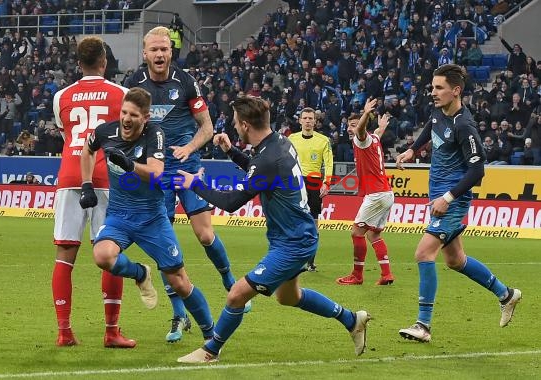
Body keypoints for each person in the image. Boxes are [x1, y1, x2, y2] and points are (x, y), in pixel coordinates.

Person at [175, 96, 370, 363]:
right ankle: (352, 320)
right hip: (294, 237)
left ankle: (211, 350)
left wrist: (193, 183)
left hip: (293, 243)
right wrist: (232, 152)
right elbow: (261, 172)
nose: (232, 126)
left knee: (237, 295)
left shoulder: (268, 157)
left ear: (245, 125)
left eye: (234, 122)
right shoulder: (280, 141)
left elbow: (231, 203)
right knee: (290, 297)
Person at [124, 26, 246, 343]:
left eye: (165, 49)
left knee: (205, 234)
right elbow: (127, 126)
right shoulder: (134, 84)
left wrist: (189, 149)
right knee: (164, 245)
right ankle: (179, 316)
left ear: (170, 51)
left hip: (187, 167)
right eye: (154, 50)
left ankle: (230, 283)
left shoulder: (186, 81)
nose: (160, 54)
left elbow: (206, 127)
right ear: (145, 53)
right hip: (156, 173)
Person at [395, 64, 522, 343]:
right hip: (437, 195)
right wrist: (412, 149)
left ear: (456, 91)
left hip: (453, 199)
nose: (433, 92)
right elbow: (430, 127)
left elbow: (478, 171)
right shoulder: (439, 113)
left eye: (439, 88)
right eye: (432, 87)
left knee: (423, 253)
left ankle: (423, 325)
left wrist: (448, 197)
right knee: (455, 260)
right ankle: (506, 294)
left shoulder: (465, 126)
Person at [79, 87, 215, 345]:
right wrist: (86, 185)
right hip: (119, 215)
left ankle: (211, 336)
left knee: (180, 282)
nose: (126, 119)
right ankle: (140, 273)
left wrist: (128, 164)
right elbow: (87, 152)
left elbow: (156, 172)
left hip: (152, 218)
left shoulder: (156, 134)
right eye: (123, 113)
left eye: (133, 115)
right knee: (102, 255)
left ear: (145, 118)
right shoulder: (104, 132)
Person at [51, 36, 134, 348]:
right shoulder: (121, 94)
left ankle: (64, 332)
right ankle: (111, 332)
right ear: (104, 62)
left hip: (70, 175)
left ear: (77, 63)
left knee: (64, 257)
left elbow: (67, 134)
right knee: (110, 255)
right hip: (105, 178)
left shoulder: (61, 96)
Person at [336, 98, 395, 286]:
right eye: (348, 126)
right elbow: (376, 132)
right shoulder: (375, 138)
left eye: (352, 125)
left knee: (356, 232)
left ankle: (357, 275)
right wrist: (381, 126)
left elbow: (361, 131)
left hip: (376, 195)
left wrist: (365, 114)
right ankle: (387, 274)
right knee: (373, 235)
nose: (349, 129)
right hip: (385, 194)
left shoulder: (361, 139)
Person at [288, 107, 333, 272]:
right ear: (300, 121)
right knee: (295, 221)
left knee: (313, 223)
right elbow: (285, 160)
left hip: (315, 182)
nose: (307, 121)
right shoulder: (291, 139)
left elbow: (328, 163)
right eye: (305, 118)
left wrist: (326, 183)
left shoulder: (324, 140)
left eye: (310, 118)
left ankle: (310, 261)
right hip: (296, 182)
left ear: (315, 121)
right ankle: (294, 258)